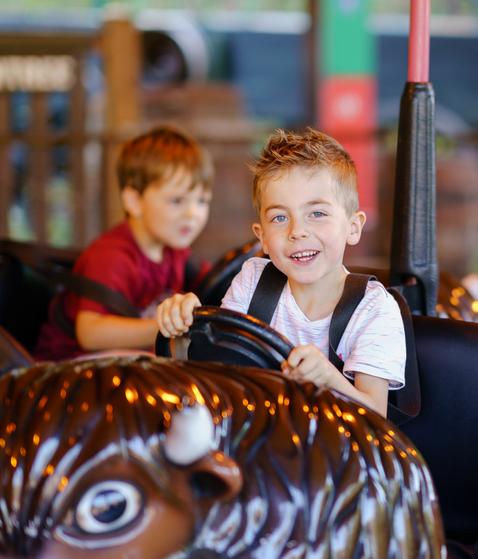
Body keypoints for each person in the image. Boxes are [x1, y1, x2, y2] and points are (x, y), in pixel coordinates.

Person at [157, 129, 405, 417]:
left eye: (317, 213)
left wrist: (329, 379)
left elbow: (376, 417)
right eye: (279, 218)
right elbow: (217, 372)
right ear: (262, 237)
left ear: (353, 226)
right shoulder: (253, 281)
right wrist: (183, 329)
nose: (297, 231)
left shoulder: (373, 308)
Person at [34, 125, 213, 361]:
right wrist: (167, 326)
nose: (193, 213)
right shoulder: (112, 257)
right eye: (177, 200)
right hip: (69, 369)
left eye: (202, 201)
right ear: (134, 201)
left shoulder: (174, 250)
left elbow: (216, 280)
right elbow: (91, 334)